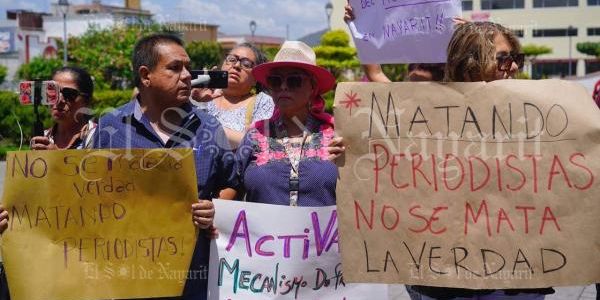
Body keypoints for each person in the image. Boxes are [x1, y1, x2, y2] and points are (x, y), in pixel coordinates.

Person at [407, 22, 552, 300]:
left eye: (516, 59)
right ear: (470, 60)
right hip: (446, 277)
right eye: (502, 58)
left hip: (515, 277)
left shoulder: (536, 112)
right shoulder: (427, 112)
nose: (512, 66)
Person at [92, 33, 237, 299]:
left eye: (187, 67)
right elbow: (85, 193)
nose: (186, 76)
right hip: (127, 277)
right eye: (174, 68)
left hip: (193, 275)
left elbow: (230, 182)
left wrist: (215, 207)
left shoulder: (208, 127)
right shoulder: (111, 127)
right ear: (146, 75)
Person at [236, 41, 338, 206]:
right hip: (263, 232)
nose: (283, 87)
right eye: (275, 81)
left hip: (323, 231)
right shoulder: (255, 135)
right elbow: (232, 186)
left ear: (313, 87)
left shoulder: (335, 135)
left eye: (294, 81)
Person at [191, 43, 274, 149]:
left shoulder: (262, 102)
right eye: (231, 59)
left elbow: (258, 145)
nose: (236, 66)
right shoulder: (200, 95)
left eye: (246, 64)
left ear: (255, 79)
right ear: (223, 65)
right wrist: (197, 103)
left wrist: (212, 130)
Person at [343, 2, 446, 83]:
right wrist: (359, 27)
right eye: (413, 86)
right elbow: (375, 74)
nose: (419, 93)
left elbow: (375, 74)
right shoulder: (403, 99)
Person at [30, 66, 96, 150]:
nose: (59, 100)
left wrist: (56, 156)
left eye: (69, 94)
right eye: (53, 92)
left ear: (87, 101)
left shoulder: (98, 136)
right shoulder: (42, 138)